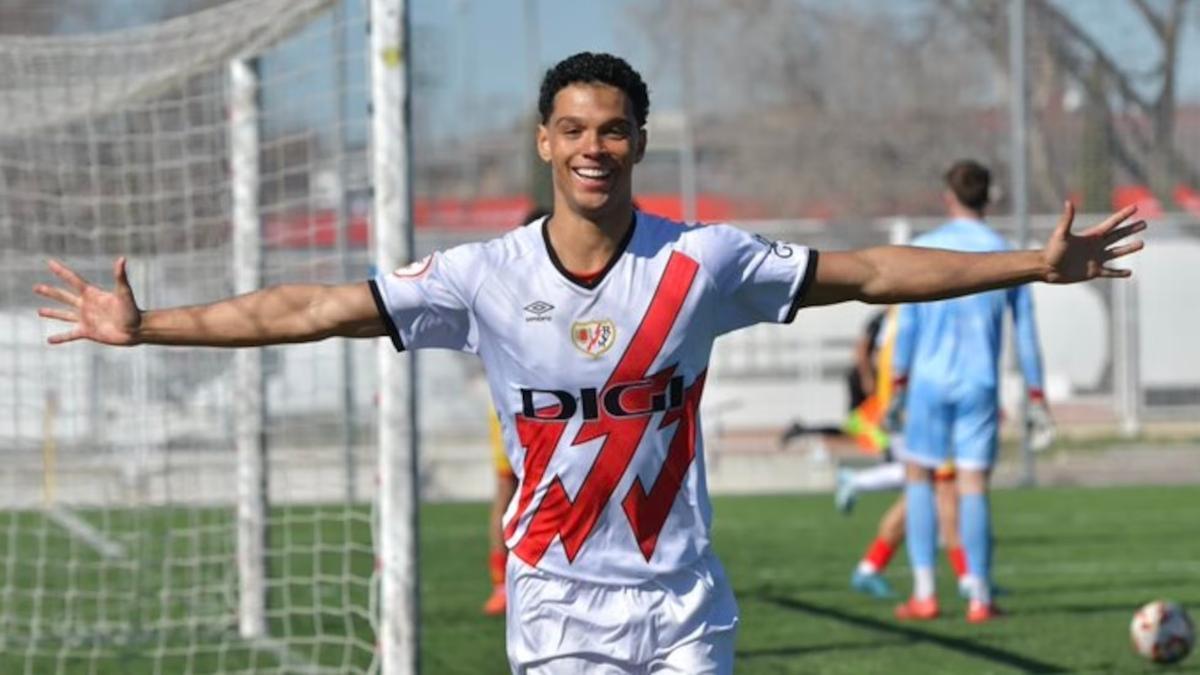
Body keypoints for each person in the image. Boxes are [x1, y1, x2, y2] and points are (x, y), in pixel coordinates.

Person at [34, 52, 1144, 673]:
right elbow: (313, 305)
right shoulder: (481, 277)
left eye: (612, 128)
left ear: (639, 142)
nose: (592, 146)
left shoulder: (703, 263)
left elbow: (870, 273)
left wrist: (1030, 268)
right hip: (558, 608)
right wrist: (154, 323)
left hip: (688, 611)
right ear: (543, 142)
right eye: (572, 127)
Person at [889, 159, 1059, 624]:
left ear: (949, 197)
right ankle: (980, 597)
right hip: (979, 385)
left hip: (926, 381)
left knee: (919, 478)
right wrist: (1038, 395)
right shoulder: (1007, 253)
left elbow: (907, 328)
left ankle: (925, 591)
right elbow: (1026, 333)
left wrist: (897, 386)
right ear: (990, 198)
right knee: (973, 486)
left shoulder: (923, 249)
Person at [483, 207, 551, 617]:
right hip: (514, 407)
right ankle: (501, 583)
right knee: (508, 490)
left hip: (571, 413)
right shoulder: (507, 284)